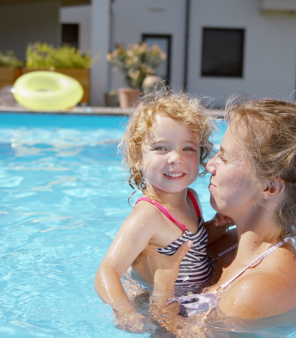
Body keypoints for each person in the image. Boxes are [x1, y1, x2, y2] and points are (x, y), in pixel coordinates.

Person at [134, 96, 296, 335]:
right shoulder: (227, 244)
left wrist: (161, 290)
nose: (209, 165)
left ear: (269, 187)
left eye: (224, 157)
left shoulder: (256, 289)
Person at [94, 93, 232, 332]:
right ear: (137, 157)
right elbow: (107, 271)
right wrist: (126, 313)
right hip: (160, 306)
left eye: (188, 148)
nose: (176, 158)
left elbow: (195, 246)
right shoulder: (148, 216)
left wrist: (216, 226)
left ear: (201, 155)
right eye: (161, 148)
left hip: (193, 298)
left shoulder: (192, 199)